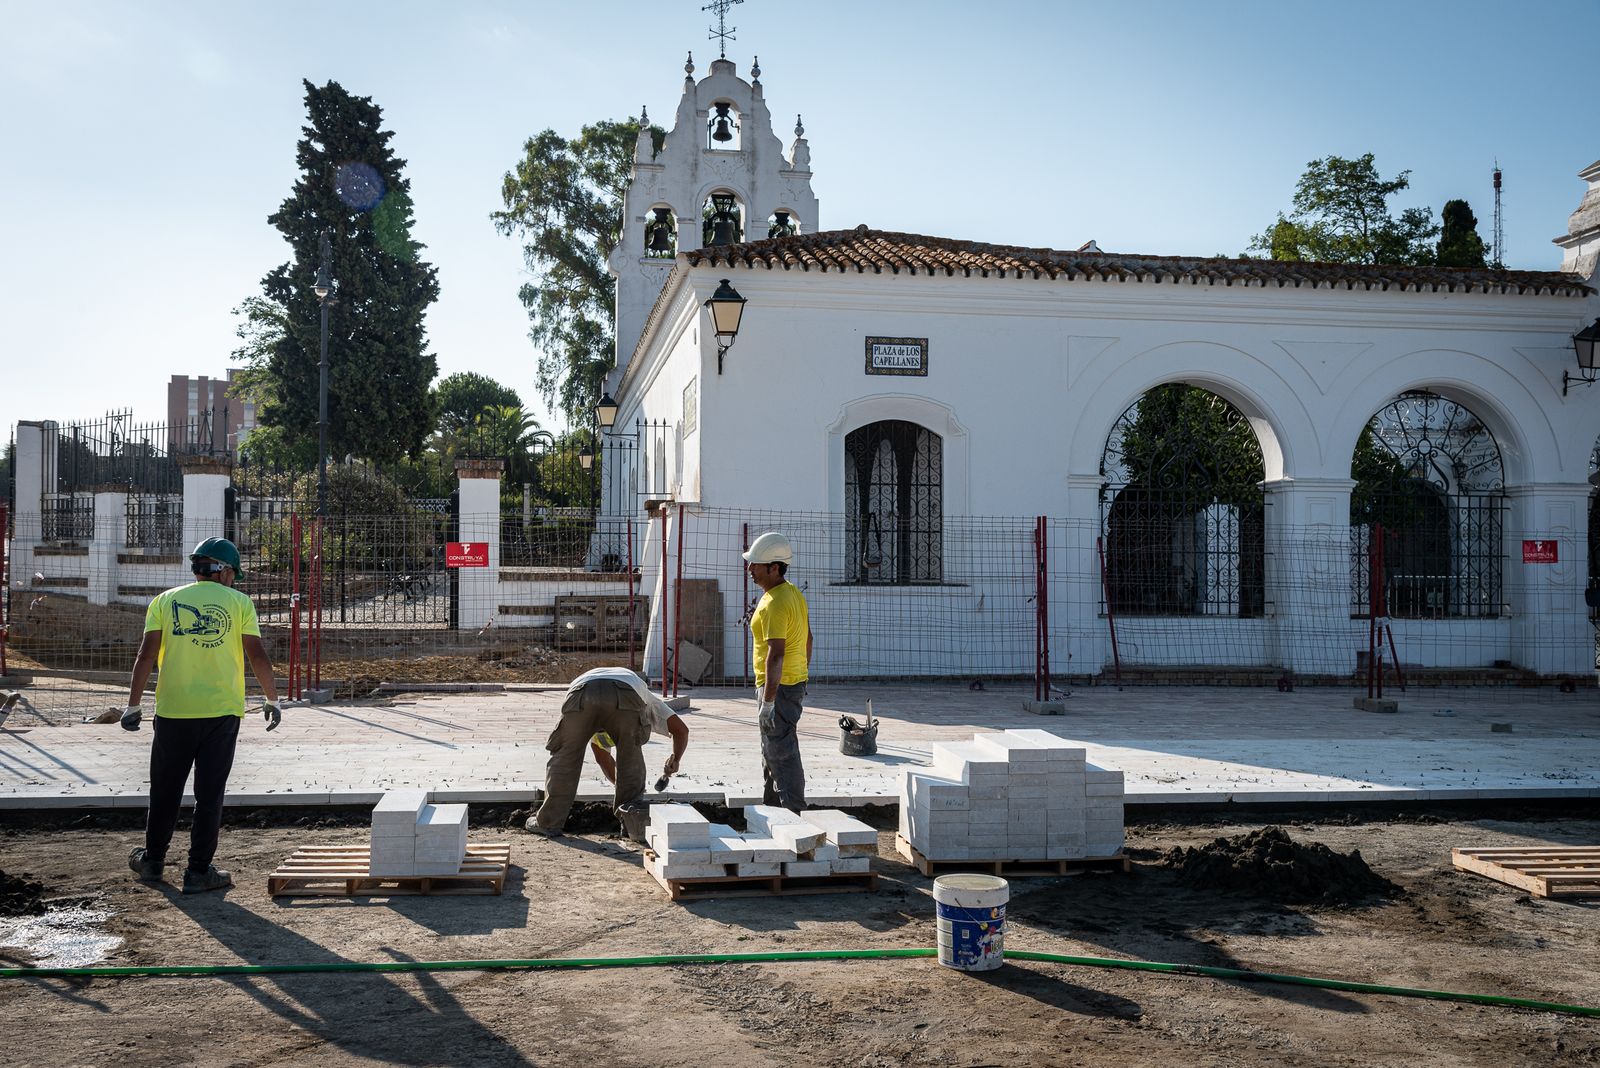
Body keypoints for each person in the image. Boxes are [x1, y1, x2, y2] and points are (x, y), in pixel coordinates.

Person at [123, 537, 280, 894]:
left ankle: (152, 861)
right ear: (222, 571)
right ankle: (198, 872)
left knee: (165, 790)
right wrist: (272, 699)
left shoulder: (164, 601)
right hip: (221, 713)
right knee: (210, 794)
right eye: (233, 574)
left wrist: (133, 705)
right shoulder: (239, 603)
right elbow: (257, 656)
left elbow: (145, 656)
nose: (233, 581)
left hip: (173, 712)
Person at [528, 666, 685, 836]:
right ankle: (631, 825)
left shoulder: (600, 722)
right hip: (626, 694)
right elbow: (682, 731)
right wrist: (676, 760)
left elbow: (603, 758)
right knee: (630, 757)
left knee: (564, 757)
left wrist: (619, 784)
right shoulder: (649, 700)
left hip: (581, 693)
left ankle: (548, 823)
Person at [744, 531, 812, 810]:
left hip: (778, 687)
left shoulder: (775, 603)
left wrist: (769, 701)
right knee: (772, 750)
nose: (750, 569)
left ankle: (793, 815)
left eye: (756, 564)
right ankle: (771, 812)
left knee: (782, 754)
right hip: (790, 683)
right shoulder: (792, 593)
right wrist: (801, 674)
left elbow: (776, 654)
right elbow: (808, 638)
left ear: (774, 568)